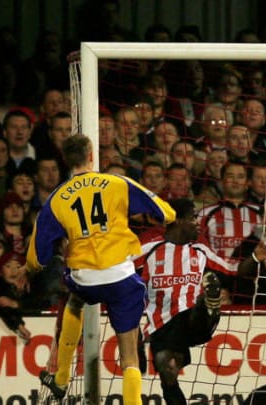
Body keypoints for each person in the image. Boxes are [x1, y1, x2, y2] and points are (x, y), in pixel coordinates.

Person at [27, 134, 176, 404]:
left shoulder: (56, 199)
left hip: (84, 278)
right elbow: (167, 213)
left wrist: (31, 268)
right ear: (92, 155)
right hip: (120, 276)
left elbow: (37, 257)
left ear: (65, 160)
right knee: (129, 352)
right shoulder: (117, 183)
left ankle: (61, 377)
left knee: (73, 300)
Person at [137, 198, 242, 405]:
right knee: (166, 370)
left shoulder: (200, 250)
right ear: (178, 220)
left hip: (192, 321)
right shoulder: (147, 249)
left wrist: (256, 256)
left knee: (197, 308)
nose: (197, 223)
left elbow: (232, 270)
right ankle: (207, 304)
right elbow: (120, 272)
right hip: (162, 326)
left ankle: (208, 305)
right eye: (193, 217)